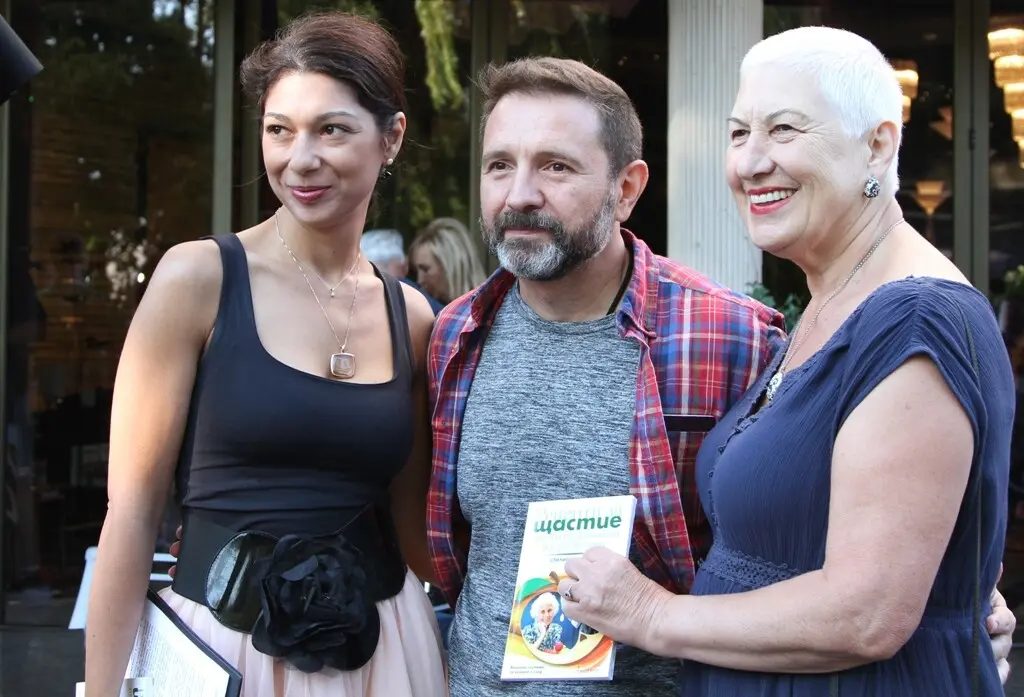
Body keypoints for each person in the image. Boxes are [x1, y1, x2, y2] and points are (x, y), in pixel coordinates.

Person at [425, 56, 1016, 697]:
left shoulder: (733, 336)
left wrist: (953, 601)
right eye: (499, 165)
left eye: (556, 166)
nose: (519, 194)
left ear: (627, 189)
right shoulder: (453, 337)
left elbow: (859, 549)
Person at [84, 12, 444, 697]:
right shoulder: (197, 279)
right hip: (221, 651)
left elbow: (417, 537)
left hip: (387, 653)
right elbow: (129, 514)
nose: (299, 159)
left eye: (331, 129)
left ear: (392, 137)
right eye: (279, 130)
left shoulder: (414, 318)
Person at [361, 228, 445, 314]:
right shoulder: (418, 299)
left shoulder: (357, 298)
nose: (420, 280)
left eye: (425, 269)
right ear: (406, 265)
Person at [409, 217, 487, 305]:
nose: (420, 280)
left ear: (450, 266)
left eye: (425, 269)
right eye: (417, 271)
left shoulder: (487, 308)